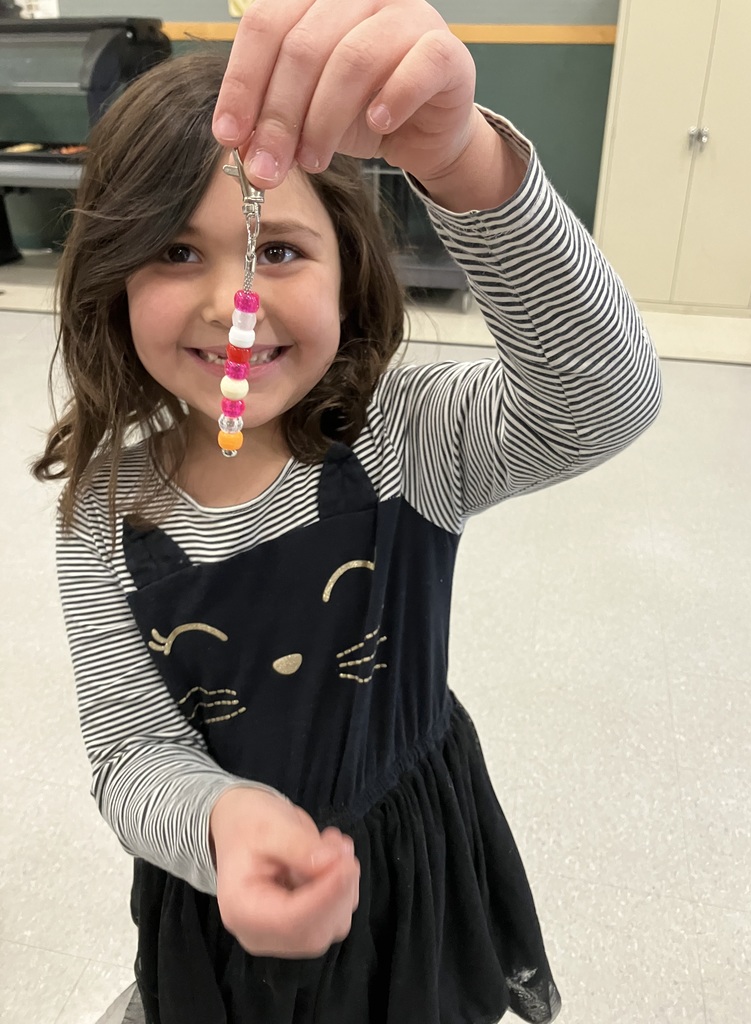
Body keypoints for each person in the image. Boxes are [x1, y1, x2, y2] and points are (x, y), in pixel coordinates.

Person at [34, 3, 662, 1022]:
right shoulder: (104, 517)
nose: (232, 306)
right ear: (110, 281)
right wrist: (222, 823)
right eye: (175, 253)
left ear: (348, 268)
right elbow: (129, 750)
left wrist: (464, 161)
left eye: (277, 250)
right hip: (221, 904)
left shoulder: (406, 437)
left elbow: (606, 397)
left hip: (416, 872)